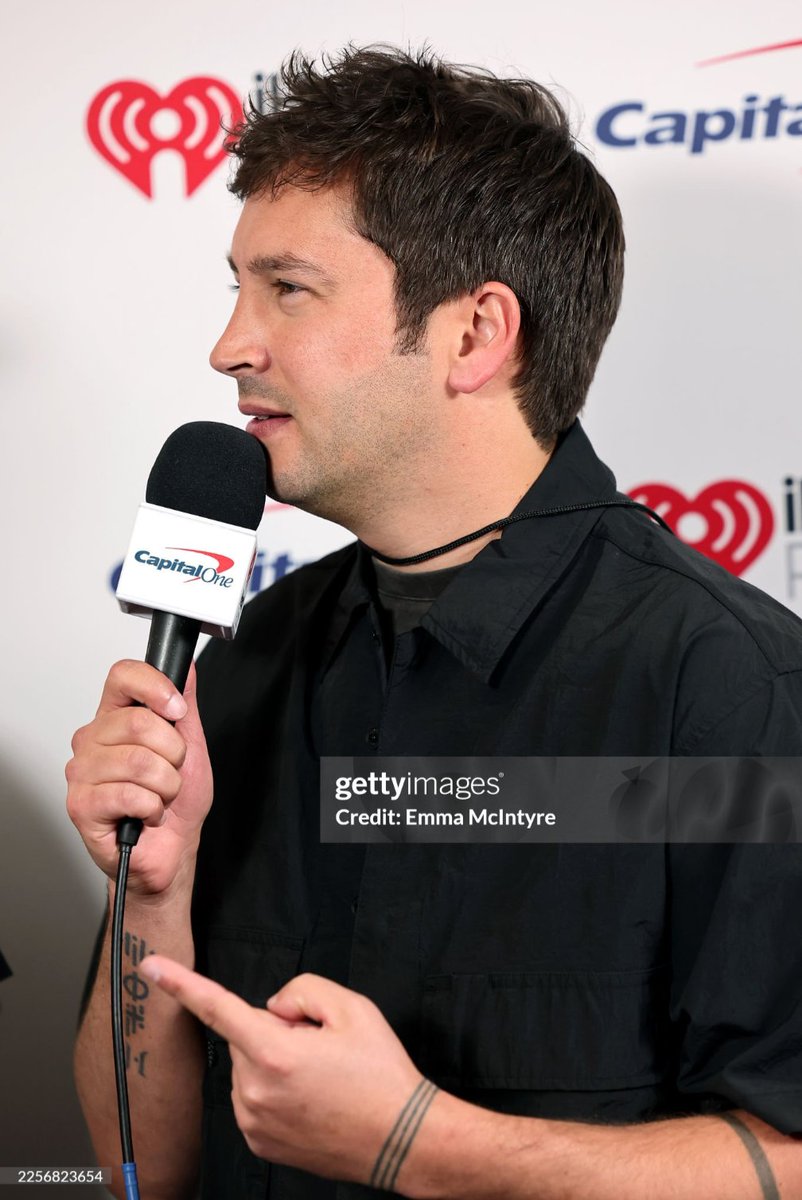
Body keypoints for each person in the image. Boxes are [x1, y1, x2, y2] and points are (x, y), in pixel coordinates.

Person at [66, 46, 802, 1200]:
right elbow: (140, 1172)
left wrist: (421, 1145)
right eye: (238, 288)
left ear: (473, 335)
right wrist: (152, 897)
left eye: (288, 289)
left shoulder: (718, 689)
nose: (229, 346)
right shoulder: (245, 663)